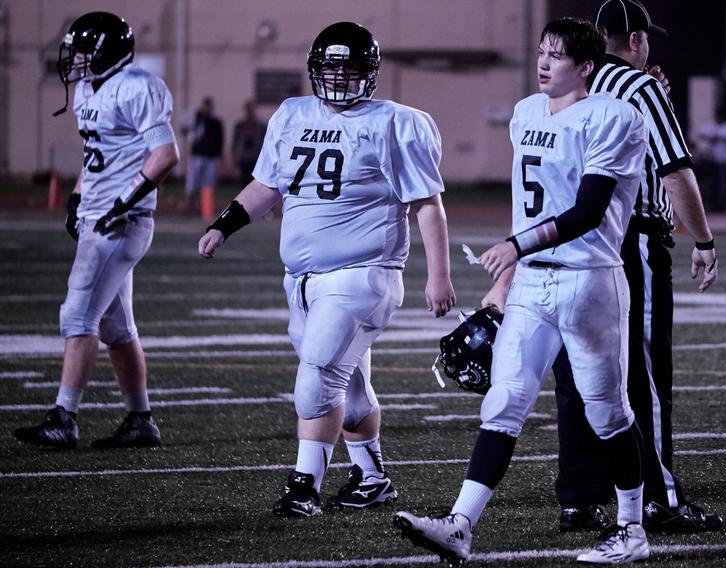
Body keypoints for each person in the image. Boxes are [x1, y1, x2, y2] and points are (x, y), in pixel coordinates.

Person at [395, 17, 651, 565]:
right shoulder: (525, 113)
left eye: (556, 57)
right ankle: (460, 525)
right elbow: (526, 201)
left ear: (585, 67)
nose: (542, 63)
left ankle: (632, 528)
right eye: (540, 52)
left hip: (590, 280)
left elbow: (587, 210)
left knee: (607, 412)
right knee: (504, 400)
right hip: (534, 280)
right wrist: (508, 278)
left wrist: (514, 245)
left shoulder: (614, 117)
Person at [197, 21, 456, 517]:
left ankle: (304, 487)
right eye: (332, 67)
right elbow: (267, 185)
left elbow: (427, 204)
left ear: (371, 72)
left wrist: (438, 275)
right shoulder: (292, 114)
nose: (340, 78)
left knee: (316, 377)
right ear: (315, 70)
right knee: (351, 391)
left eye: (351, 68)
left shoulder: (396, 122)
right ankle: (371, 476)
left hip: (363, 274)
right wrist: (223, 225)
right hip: (302, 281)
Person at [545, 0, 722, 534]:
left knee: (579, 374)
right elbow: (675, 173)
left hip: (572, 243)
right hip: (630, 243)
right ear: (638, 40)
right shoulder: (640, 88)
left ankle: (578, 496)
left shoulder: (568, 87)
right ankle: (659, 496)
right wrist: (705, 239)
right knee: (642, 372)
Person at [13, 11, 179, 449]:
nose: (78, 60)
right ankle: (141, 420)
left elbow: (165, 155)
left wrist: (124, 200)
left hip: (122, 219)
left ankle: (64, 417)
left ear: (108, 51)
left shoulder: (138, 86)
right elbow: (95, 155)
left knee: (78, 315)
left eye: (85, 51)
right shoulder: (88, 89)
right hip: (98, 213)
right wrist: (76, 195)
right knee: (117, 328)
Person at [184, 96, 223, 211]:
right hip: (198, 156)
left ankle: (206, 209)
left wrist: (219, 155)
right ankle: (191, 207)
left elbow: (220, 140)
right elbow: (188, 132)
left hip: (211, 157)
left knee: (208, 185)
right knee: (192, 182)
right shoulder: (197, 120)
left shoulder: (216, 123)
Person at [696, 107, 726, 211]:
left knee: (721, 183)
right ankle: (710, 204)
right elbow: (701, 135)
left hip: (723, 159)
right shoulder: (711, 126)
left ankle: (720, 205)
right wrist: (711, 138)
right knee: (710, 183)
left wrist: (722, 139)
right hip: (710, 159)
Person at [231, 100, 267, 185]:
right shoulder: (240, 125)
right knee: (244, 181)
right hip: (244, 157)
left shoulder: (260, 125)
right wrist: (235, 156)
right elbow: (235, 142)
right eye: (248, 109)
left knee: (256, 182)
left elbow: (266, 142)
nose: (250, 111)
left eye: (251, 109)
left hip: (256, 157)